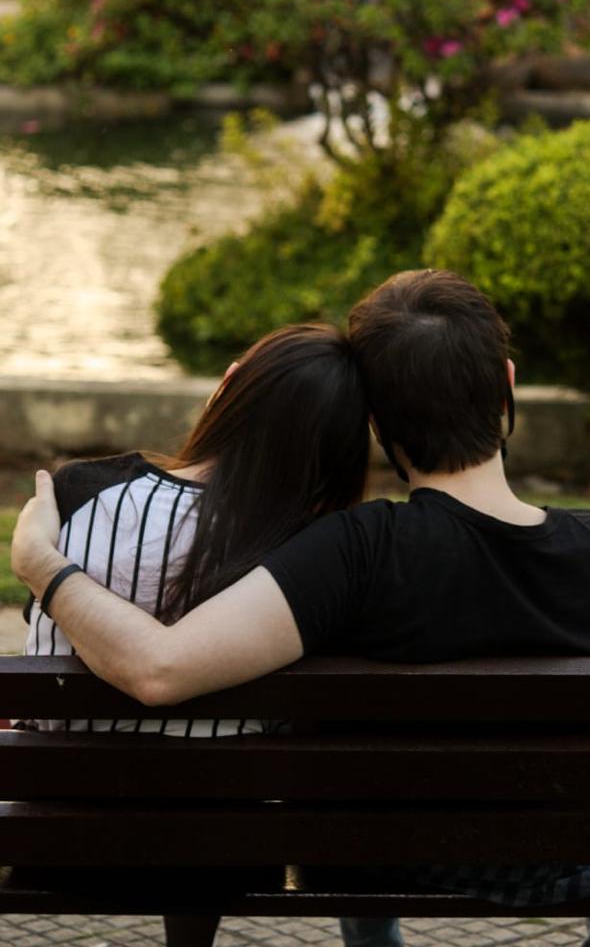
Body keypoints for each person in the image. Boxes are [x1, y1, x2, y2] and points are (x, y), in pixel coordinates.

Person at [12, 270, 590, 947]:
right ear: (505, 385)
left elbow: (160, 668)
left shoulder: (354, 551)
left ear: (375, 421)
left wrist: (43, 565)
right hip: (582, 861)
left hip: (379, 861)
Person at [14, 321, 370, 947]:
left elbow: (42, 636)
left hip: (60, 841)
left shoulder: (81, 494)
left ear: (226, 387)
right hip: (223, 857)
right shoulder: (308, 555)